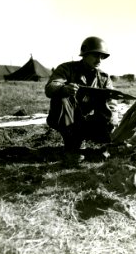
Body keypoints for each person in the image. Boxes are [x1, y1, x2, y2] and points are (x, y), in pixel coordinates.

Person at [45, 36, 118, 166]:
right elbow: (51, 87)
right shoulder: (66, 69)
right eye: (95, 55)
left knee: (110, 119)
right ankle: (71, 149)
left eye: (102, 57)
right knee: (60, 98)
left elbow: (112, 101)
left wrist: (113, 119)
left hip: (90, 120)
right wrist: (64, 88)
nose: (99, 60)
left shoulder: (104, 78)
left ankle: (95, 145)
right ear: (85, 54)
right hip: (69, 118)